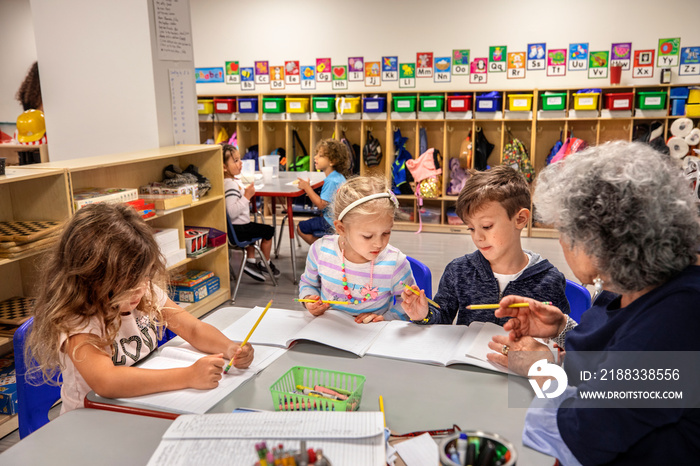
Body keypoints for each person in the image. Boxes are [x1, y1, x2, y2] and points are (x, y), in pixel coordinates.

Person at [486, 141, 700, 465]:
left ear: (602, 241)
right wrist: (561, 328)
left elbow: (581, 435)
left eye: (564, 231)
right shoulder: (638, 280)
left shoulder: (679, 320)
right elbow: (611, 356)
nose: (561, 242)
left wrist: (540, 368)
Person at [26, 203, 255, 414]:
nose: (142, 288)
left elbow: (193, 329)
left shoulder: (144, 292)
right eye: (129, 283)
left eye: (145, 276)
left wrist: (230, 348)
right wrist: (188, 376)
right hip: (93, 418)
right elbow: (106, 381)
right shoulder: (80, 319)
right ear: (92, 278)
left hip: (138, 403)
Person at [401, 165, 569, 326]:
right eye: (471, 228)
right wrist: (424, 315)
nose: (478, 237)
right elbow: (441, 318)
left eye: (487, 226)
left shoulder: (549, 281)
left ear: (520, 219)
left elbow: (561, 337)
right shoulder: (458, 271)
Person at [298, 176, 414, 323]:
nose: (378, 244)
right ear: (341, 228)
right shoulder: (320, 251)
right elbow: (308, 284)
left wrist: (385, 318)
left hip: (372, 336)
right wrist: (309, 300)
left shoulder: (395, 263)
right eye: (367, 236)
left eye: (386, 233)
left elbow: (409, 305)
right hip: (329, 330)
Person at [223, 144, 280, 281]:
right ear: (224, 167)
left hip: (240, 227)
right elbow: (231, 212)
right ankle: (265, 263)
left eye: (239, 159)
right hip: (238, 230)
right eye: (235, 161)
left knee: (255, 227)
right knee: (268, 231)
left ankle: (251, 262)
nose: (240, 163)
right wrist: (247, 196)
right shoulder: (230, 185)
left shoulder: (230, 181)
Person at [296, 139, 350, 245]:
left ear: (332, 161)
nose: (315, 157)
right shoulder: (338, 177)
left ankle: (322, 249)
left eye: (320, 156)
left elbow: (321, 205)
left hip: (330, 222)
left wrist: (307, 188)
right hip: (339, 219)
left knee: (300, 227)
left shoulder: (331, 181)